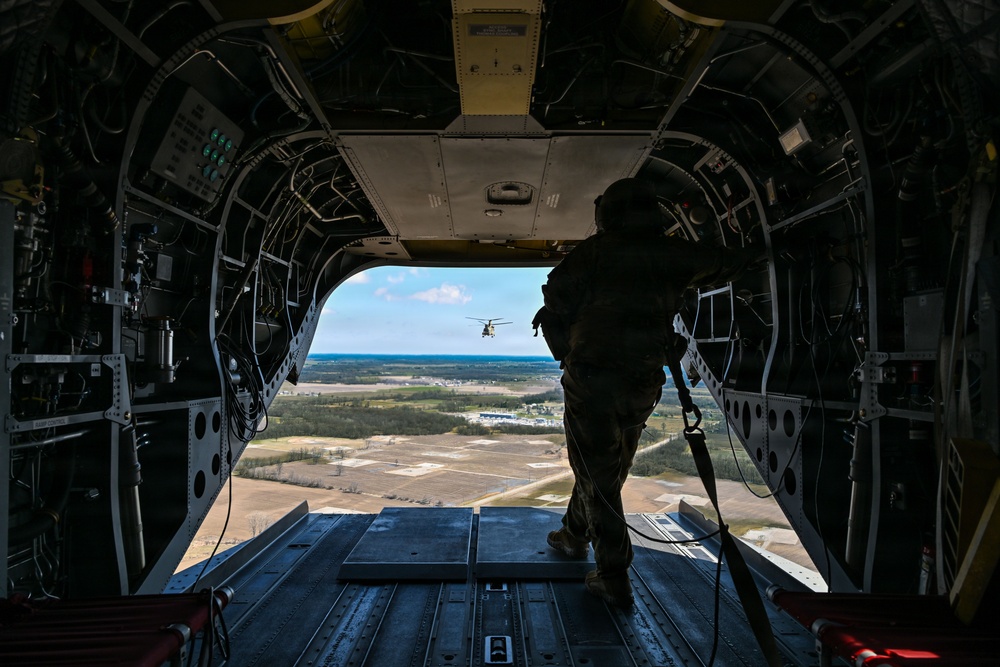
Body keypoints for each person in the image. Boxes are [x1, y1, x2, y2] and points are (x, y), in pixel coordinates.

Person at [536, 177, 751, 608]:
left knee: (598, 472)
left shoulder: (595, 253)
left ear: (607, 215)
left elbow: (555, 301)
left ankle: (613, 574)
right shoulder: (673, 255)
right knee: (606, 470)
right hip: (642, 383)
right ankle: (575, 534)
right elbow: (728, 263)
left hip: (592, 382)